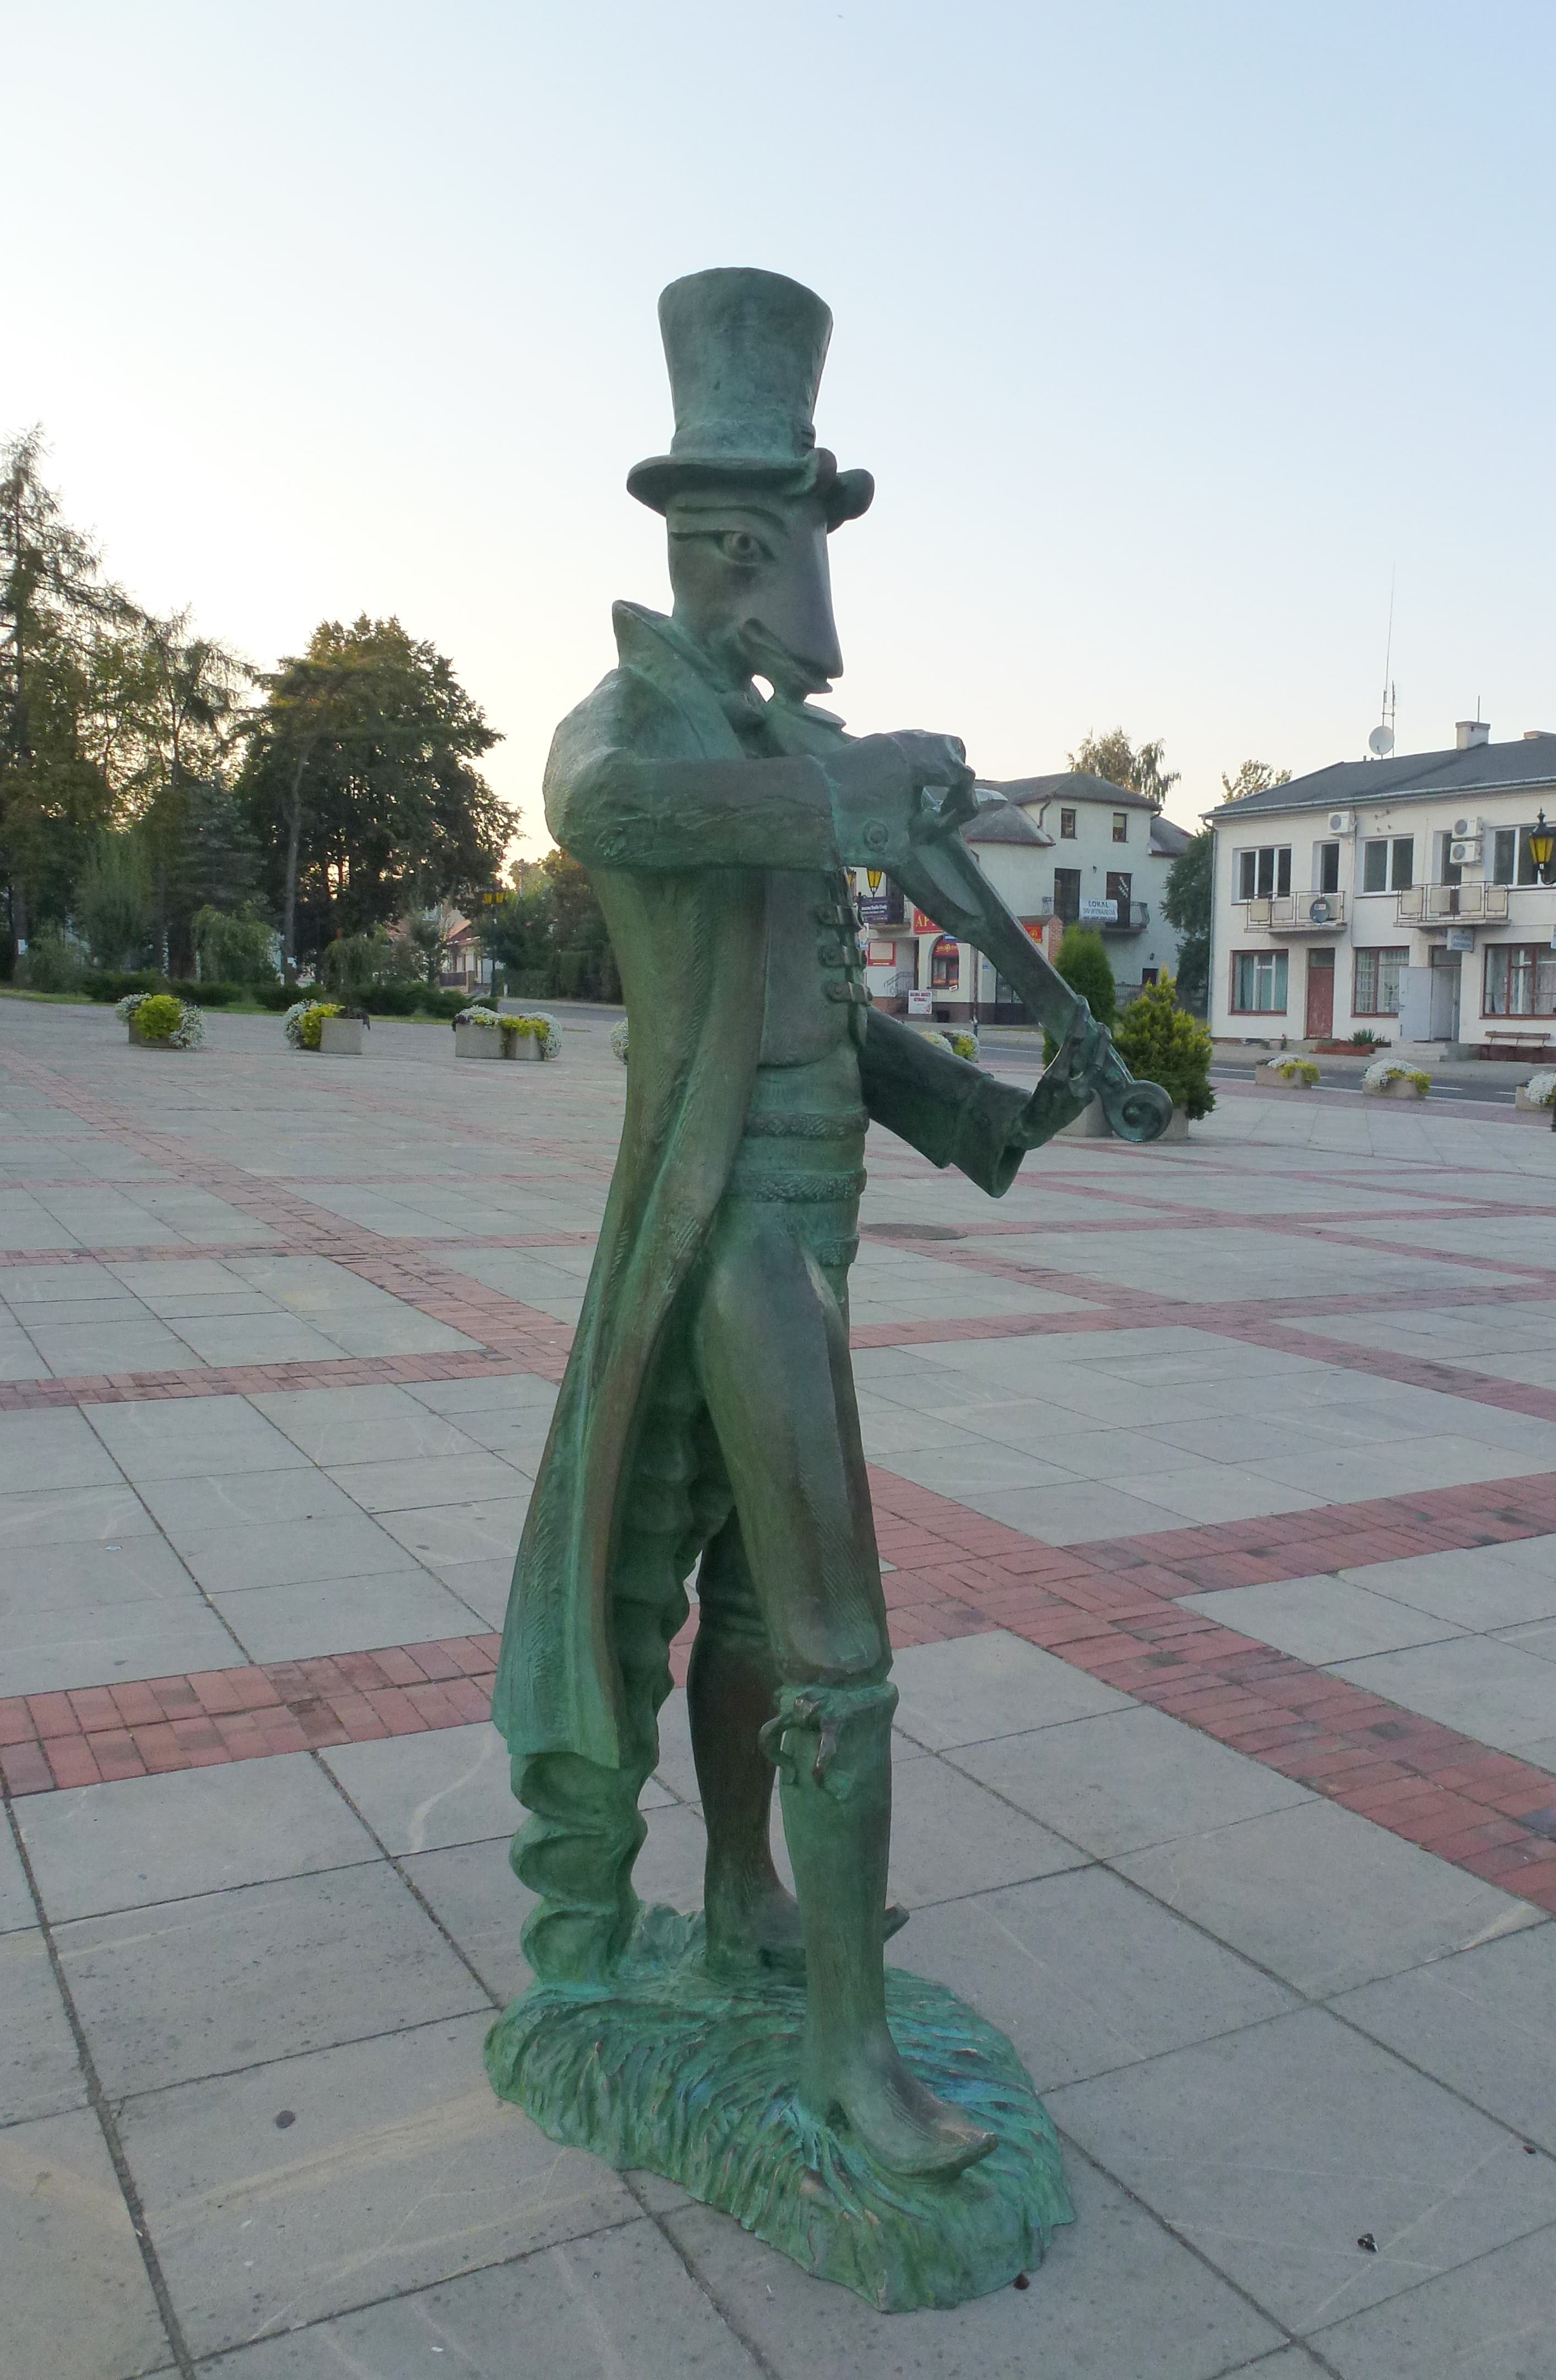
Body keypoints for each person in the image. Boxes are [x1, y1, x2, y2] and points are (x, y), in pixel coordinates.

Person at [493, 267, 1105, 2180]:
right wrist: (841, 789)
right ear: (721, 550)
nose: (812, 620)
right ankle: (849, 2061)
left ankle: (750, 1901)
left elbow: (824, 1024)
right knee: (840, 1648)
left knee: (757, 1609)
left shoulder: (763, 760)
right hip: (726, 1247)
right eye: (782, 554)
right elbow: (649, 814)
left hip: (813, 1237)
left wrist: (1000, 1113)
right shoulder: (631, 743)